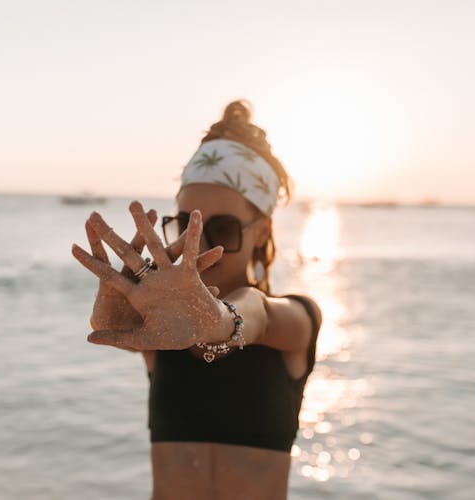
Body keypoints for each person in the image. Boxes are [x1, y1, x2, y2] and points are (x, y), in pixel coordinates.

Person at [71, 100, 322, 500]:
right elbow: (118, 325)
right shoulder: (160, 332)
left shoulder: (295, 322)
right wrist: (118, 315)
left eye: (221, 228)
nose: (199, 244)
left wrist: (222, 321)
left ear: (261, 231)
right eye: (185, 225)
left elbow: (259, 313)